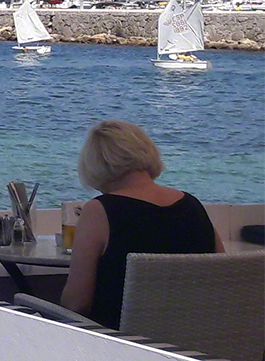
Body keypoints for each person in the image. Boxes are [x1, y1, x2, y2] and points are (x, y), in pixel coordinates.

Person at [60, 119, 221, 329]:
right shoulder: (192, 206)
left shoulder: (99, 211)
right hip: (193, 340)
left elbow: (77, 304)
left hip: (119, 342)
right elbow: (222, 277)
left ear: (96, 165)